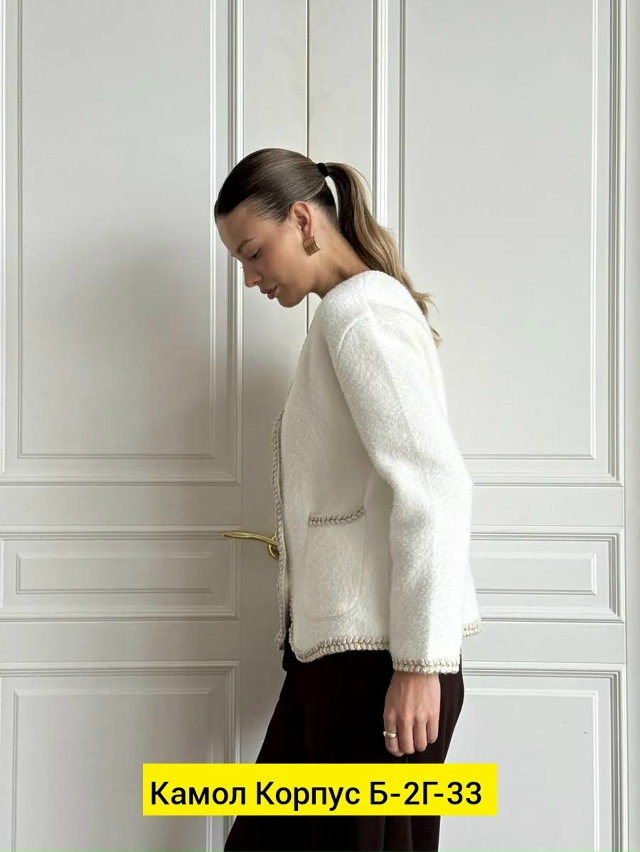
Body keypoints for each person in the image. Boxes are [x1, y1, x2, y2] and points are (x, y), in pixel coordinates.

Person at [214, 147, 482, 852]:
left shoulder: (360, 316)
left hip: (379, 668)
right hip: (336, 662)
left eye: (253, 253)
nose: (250, 278)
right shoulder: (349, 314)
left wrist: (420, 665)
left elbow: (437, 486)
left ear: (303, 221)